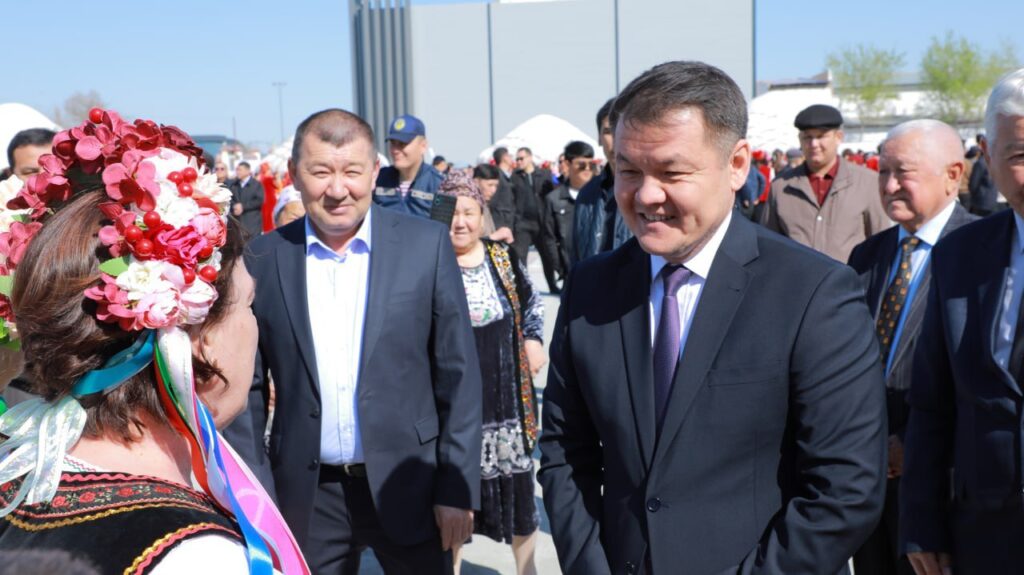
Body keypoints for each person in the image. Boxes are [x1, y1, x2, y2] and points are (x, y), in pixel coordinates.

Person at [539, 61, 886, 575]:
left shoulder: (813, 293)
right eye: (628, 171)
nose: (646, 195)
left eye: (672, 173)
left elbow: (845, 490)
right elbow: (565, 451)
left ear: (737, 164)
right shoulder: (591, 288)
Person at [0, 109, 306, 574]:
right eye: (248, 305)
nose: (254, 324)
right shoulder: (200, 559)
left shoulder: (19, 483)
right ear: (195, 340)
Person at [223, 108, 482, 574]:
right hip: (306, 495)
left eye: (352, 172)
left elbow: (458, 375)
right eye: (321, 172)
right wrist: (255, 497)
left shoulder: (425, 246)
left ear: (375, 172)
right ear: (294, 175)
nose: (338, 189)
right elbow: (246, 393)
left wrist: (456, 487)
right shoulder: (263, 257)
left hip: (411, 483)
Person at [900, 68, 1024, 575]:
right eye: (1020, 155)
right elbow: (932, 402)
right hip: (985, 537)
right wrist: (921, 521)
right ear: (987, 158)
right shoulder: (960, 255)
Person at [847, 119, 976, 575]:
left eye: (903, 172)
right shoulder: (868, 256)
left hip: (944, 488)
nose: (889, 186)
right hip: (867, 481)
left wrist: (911, 445)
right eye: (882, 172)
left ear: (953, 174)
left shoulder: (982, 254)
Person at [438, 172, 545, 575]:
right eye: (452, 213)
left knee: (521, 498)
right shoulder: (431, 262)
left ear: (481, 214)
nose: (460, 222)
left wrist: (533, 339)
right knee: (454, 500)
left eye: (468, 212)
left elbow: (531, 303)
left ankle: (527, 569)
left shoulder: (502, 256)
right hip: (455, 409)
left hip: (507, 402)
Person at [759, 104, 890, 262]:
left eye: (821, 136)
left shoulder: (867, 183)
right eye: (807, 137)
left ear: (838, 137)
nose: (814, 144)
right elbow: (768, 245)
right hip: (797, 277)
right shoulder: (781, 187)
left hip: (850, 276)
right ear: (800, 139)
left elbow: (882, 243)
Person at [573, 98, 632, 266]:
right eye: (608, 131)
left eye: (621, 128)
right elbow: (576, 257)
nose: (615, 138)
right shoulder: (587, 195)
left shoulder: (648, 191)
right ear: (599, 138)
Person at [541, 141, 594, 290]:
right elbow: (549, 239)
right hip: (570, 277)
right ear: (567, 164)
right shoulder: (553, 199)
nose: (587, 169)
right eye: (582, 165)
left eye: (591, 164)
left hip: (601, 273)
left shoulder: (601, 197)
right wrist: (561, 269)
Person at [372, 114, 444, 218]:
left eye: (402, 144)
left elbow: (444, 225)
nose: (395, 150)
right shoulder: (378, 179)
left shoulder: (438, 184)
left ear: (423, 146)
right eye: (393, 143)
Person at [510, 147, 559, 292]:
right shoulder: (515, 177)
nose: (519, 161)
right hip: (523, 224)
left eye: (521, 158)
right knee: (520, 257)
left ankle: (552, 285)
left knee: (547, 257)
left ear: (530, 158)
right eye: (517, 159)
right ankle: (522, 288)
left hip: (542, 223)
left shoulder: (544, 174)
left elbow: (552, 195)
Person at [474, 164, 514, 243]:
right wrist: (495, 236)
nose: (493, 190)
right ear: (476, 182)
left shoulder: (485, 205)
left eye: (496, 186)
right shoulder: (470, 207)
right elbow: (468, 244)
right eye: (490, 185)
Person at [228, 161, 265, 238]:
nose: (237, 172)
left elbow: (259, 200)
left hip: (252, 222)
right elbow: (230, 199)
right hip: (238, 222)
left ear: (248, 171)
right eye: (237, 170)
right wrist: (234, 206)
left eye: (240, 170)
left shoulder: (256, 184)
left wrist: (243, 206)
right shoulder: (234, 185)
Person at [968, 133, 1002, 216]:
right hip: (993, 200)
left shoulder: (980, 163)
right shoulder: (997, 161)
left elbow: (973, 184)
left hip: (981, 202)